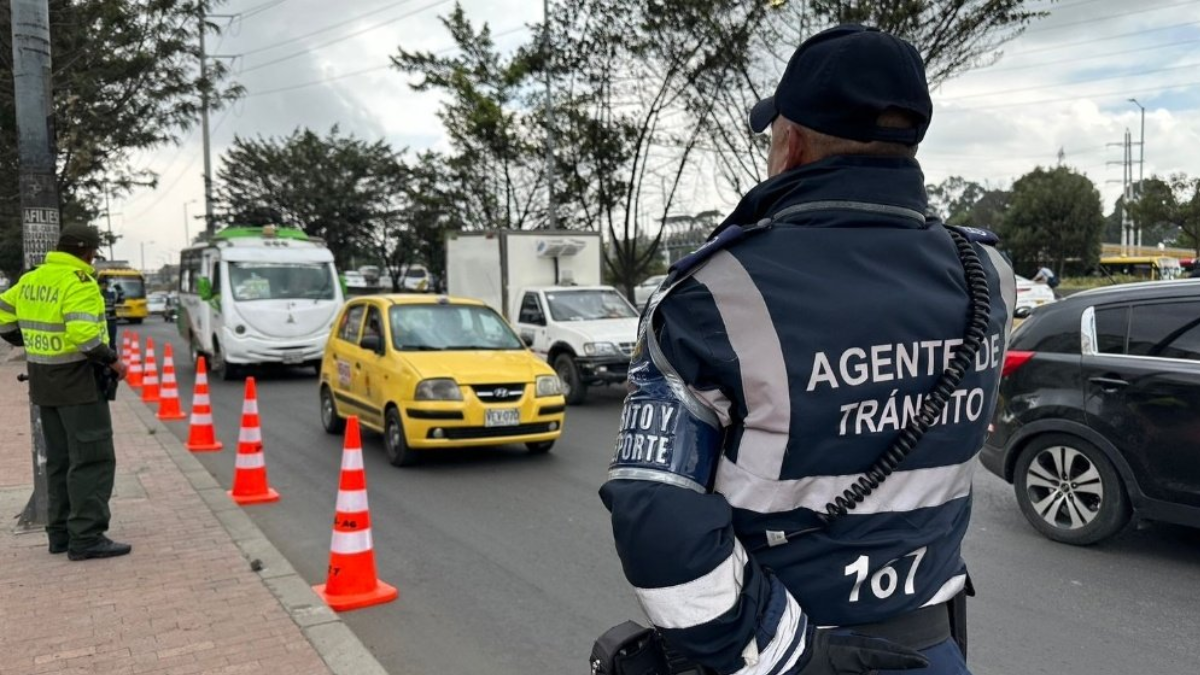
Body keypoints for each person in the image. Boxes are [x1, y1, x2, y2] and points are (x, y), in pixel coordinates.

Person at [600, 25, 1015, 675]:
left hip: (787, 655)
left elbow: (656, 520)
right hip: (936, 649)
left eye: (773, 136)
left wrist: (785, 653)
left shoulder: (712, 294)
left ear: (790, 145)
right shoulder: (989, 273)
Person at [0, 224, 132, 561]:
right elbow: (84, 335)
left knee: (59, 460)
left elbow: (2, 317)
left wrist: (25, 341)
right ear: (88, 252)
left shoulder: (31, 280)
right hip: (79, 384)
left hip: (44, 383)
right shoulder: (79, 282)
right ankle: (86, 537)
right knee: (92, 458)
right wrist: (114, 362)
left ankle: (58, 534)